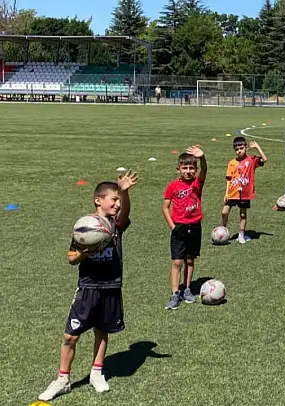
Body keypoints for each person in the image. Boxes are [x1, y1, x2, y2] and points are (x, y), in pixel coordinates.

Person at [38, 171, 138, 401]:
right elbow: (71, 258)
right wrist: (85, 253)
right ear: (98, 200)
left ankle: (96, 372)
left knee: (102, 332)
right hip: (88, 288)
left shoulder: (116, 225)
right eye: (114, 199)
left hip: (111, 287)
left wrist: (124, 192)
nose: (117, 204)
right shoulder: (84, 227)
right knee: (70, 336)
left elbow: (125, 214)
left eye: (119, 200)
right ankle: (62, 379)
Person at [162, 147, 207, 310]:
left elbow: (205, 170)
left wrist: (202, 158)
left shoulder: (197, 183)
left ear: (195, 169)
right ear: (178, 169)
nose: (188, 171)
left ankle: (187, 289)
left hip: (195, 226)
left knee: (190, 259)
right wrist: (172, 226)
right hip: (179, 227)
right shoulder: (172, 186)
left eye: (191, 168)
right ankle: (175, 293)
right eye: (185, 168)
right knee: (177, 261)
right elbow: (165, 207)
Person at [222, 137, 268, 244]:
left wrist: (257, 147)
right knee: (224, 212)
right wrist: (226, 193)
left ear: (246, 148)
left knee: (243, 215)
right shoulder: (231, 163)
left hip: (245, 194)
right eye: (237, 149)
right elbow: (229, 179)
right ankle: (223, 231)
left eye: (241, 148)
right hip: (232, 192)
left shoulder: (251, 160)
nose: (239, 151)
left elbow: (264, 159)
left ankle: (241, 234)